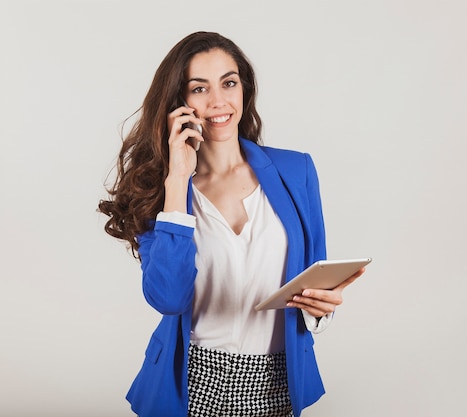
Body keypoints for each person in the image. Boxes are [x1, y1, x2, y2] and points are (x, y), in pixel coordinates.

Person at [98, 31, 365, 417]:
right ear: (179, 103)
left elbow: (314, 276)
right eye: (199, 88)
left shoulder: (296, 170)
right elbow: (168, 298)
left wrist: (320, 310)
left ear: (244, 89)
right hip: (192, 381)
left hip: (276, 380)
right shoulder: (160, 190)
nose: (218, 101)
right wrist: (177, 180)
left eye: (228, 83)